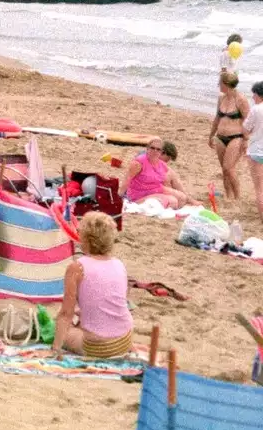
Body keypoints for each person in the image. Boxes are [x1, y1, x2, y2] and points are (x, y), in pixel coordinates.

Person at [53, 212, 135, 359]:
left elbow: (66, 314)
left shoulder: (77, 268)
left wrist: (56, 348)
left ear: (85, 238)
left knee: (62, 329)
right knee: (85, 320)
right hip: (125, 339)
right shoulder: (119, 264)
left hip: (98, 346)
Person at [210, 70, 248, 205]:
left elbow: (248, 121)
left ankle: (237, 197)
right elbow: (217, 117)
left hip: (236, 137)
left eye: (220, 83)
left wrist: (246, 140)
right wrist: (211, 135)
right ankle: (228, 196)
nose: (218, 85)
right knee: (224, 169)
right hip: (220, 137)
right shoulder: (221, 97)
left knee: (229, 168)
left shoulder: (241, 99)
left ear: (226, 84)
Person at [124, 138, 192, 209]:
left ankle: (188, 199)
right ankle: (188, 200)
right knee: (170, 179)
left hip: (150, 190)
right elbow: (129, 179)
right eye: (167, 159)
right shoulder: (143, 160)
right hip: (139, 194)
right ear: (163, 153)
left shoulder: (157, 161)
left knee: (178, 192)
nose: (167, 162)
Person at [245, 81, 263, 225]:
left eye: (254, 95)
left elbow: (245, 130)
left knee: (259, 188)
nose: (253, 97)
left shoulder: (256, 109)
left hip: (257, 151)